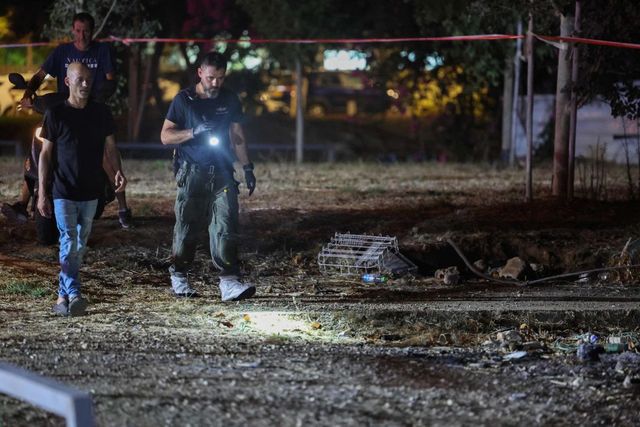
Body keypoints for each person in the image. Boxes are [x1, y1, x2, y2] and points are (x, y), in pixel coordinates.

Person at [1, 12, 133, 230]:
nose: (82, 36)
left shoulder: (102, 51)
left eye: (86, 31)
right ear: (73, 30)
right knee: (39, 146)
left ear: (93, 31)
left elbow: (110, 80)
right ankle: (22, 203)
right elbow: (40, 75)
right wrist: (29, 93)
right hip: (64, 112)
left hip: (91, 111)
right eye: (78, 31)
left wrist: (95, 100)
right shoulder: (62, 52)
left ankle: (123, 207)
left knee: (105, 153)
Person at [160, 51, 257, 302]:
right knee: (187, 227)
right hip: (192, 172)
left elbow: (237, 135)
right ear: (200, 72)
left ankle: (229, 282)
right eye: (211, 77)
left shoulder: (230, 99)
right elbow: (166, 136)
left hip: (223, 172)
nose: (216, 83)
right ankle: (179, 276)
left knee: (226, 224)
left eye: (221, 78)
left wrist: (247, 167)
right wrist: (193, 132)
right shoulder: (184, 100)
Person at [38, 62, 127, 316]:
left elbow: (111, 147)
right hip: (63, 190)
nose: (86, 84)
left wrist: (118, 172)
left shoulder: (101, 113)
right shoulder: (56, 114)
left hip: (91, 190)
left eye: (89, 80)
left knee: (78, 245)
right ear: (67, 82)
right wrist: (43, 192)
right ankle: (75, 293)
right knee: (68, 240)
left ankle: (61, 298)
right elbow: (45, 154)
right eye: (80, 80)